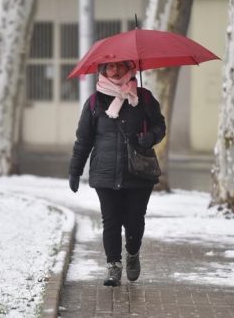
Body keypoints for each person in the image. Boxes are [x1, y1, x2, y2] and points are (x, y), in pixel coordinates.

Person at [68, 60, 166, 286]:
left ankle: (132, 253)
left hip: (138, 172)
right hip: (105, 172)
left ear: (130, 69)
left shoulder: (144, 98)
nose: (115, 70)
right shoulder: (94, 102)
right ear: (103, 71)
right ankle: (113, 266)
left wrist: (150, 137)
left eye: (120, 66)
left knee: (134, 220)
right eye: (109, 67)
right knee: (110, 221)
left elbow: (160, 126)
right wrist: (75, 170)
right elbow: (83, 140)